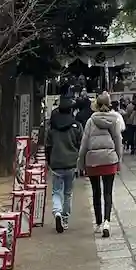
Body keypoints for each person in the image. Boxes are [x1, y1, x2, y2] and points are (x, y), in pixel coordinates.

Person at [78, 90, 125, 238]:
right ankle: (107, 222)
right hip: (109, 159)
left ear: (96, 105)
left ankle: (98, 222)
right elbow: (118, 141)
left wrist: (80, 162)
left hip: (93, 160)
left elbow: (84, 143)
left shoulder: (90, 121)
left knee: (96, 192)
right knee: (108, 192)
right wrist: (119, 159)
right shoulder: (115, 120)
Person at [44, 91, 83, 234]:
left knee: (56, 191)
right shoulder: (76, 126)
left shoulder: (52, 127)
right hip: (71, 163)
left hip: (56, 162)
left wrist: (49, 161)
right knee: (68, 193)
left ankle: (57, 212)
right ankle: (65, 219)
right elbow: (80, 144)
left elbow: (48, 146)